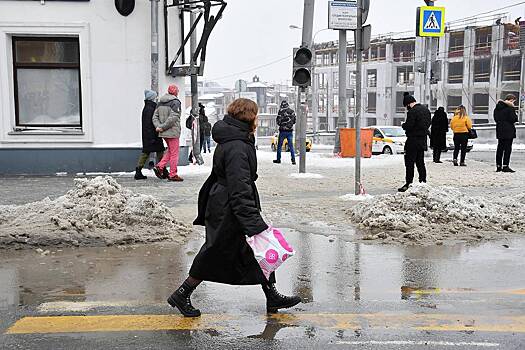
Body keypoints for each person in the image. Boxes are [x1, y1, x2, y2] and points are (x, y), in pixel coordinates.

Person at [167, 98, 301, 317]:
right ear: (249, 117)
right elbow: (239, 186)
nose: (257, 119)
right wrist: (251, 220)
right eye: (256, 115)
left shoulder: (235, 139)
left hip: (227, 202)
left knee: (255, 250)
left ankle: (272, 295)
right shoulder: (238, 145)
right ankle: (182, 293)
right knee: (216, 251)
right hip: (230, 206)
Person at [398, 92, 431, 192]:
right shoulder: (426, 110)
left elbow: (409, 125)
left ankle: (408, 183)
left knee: (409, 162)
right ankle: (423, 182)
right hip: (422, 140)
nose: (406, 108)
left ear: (408, 104)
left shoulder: (412, 112)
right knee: (420, 162)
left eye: (406, 106)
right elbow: (429, 123)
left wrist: (404, 125)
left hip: (412, 140)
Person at [152, 85, 183, 182]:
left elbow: (155, 116)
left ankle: (160, 166)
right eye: (177, 90)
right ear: (175, 92)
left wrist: (159, 127)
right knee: (174, 153)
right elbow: (173, 118)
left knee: (170, 151)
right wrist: (163, 126)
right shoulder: (176, 102)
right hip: (172, 131)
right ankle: (173, 174)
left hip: (163, 132)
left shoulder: (160, 102)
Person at [134, 90, 165, 180]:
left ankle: (138, 171)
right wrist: (152, 137)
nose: (156, 98)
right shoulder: (150, 109)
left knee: (146, 153)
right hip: (152, 135)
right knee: (159, 151)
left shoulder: (148, 107)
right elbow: (148, 124)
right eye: (155, 97)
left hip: (150, 135)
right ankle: (162, 170)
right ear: (151, 98)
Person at [494, 94, 519, 173]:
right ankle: (505, 166)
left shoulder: (497, 108)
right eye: (513, 100)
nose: (514, 102)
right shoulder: (510, 108)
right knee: (507, 149)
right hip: (508, 131)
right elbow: (513, 119)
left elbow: (496, 119)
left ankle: (498, 166)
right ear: (511, 100)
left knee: (500, 148)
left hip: (500, 130)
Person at [273, 101, 296, 165]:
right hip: (290, 131)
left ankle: (278, 159)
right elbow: (294, 121)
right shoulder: (292, 111)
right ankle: (293, 160)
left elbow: (278, 122)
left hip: (282, 131)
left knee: (279, 146)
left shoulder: (280, 112)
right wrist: (289, 124)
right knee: (291, 146)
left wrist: (282, 124)